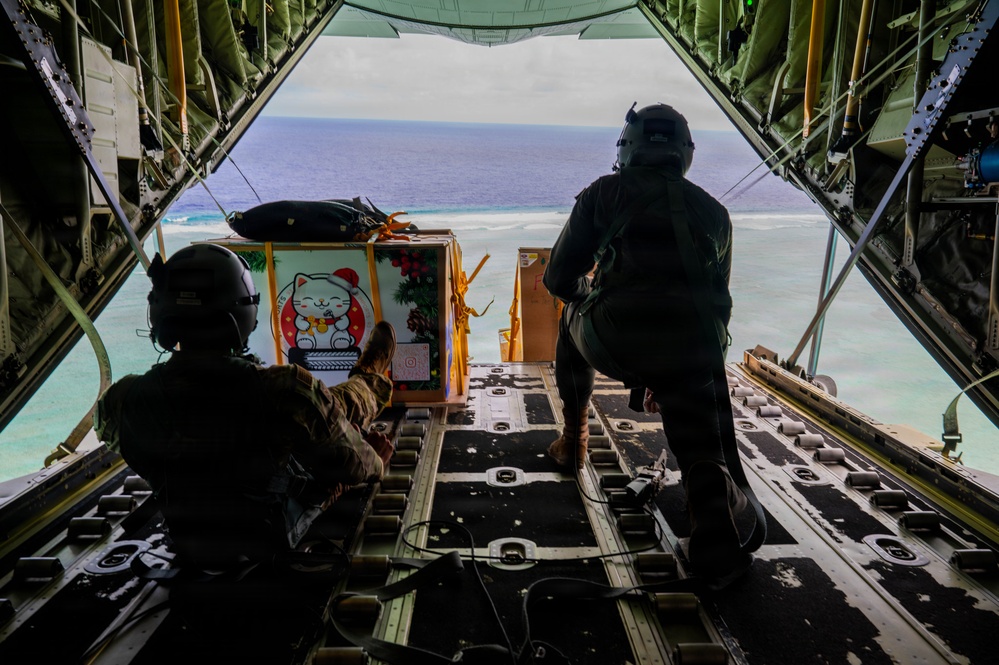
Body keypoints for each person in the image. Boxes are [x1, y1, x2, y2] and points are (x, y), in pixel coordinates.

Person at [542, 103, 756, 583]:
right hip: (691, 349)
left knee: (570, 315)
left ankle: (574, 440)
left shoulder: (603, 193)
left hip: (616, 341)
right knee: (696, 414)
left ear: (627, 148)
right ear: (685, 153)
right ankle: (711, 515)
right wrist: (686, 371)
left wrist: (588, 294)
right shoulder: (715, 213)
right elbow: (717, 306)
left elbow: (558, 280)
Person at [94, 243, 397, 568]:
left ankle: (366, 378)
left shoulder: (122, 401)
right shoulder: (283, 388)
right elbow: (355, 466)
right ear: (243, 312)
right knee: (329, 409)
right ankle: (369, 377)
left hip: (190, 541)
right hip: (270, 532)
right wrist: (376, 460)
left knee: (319, 409)